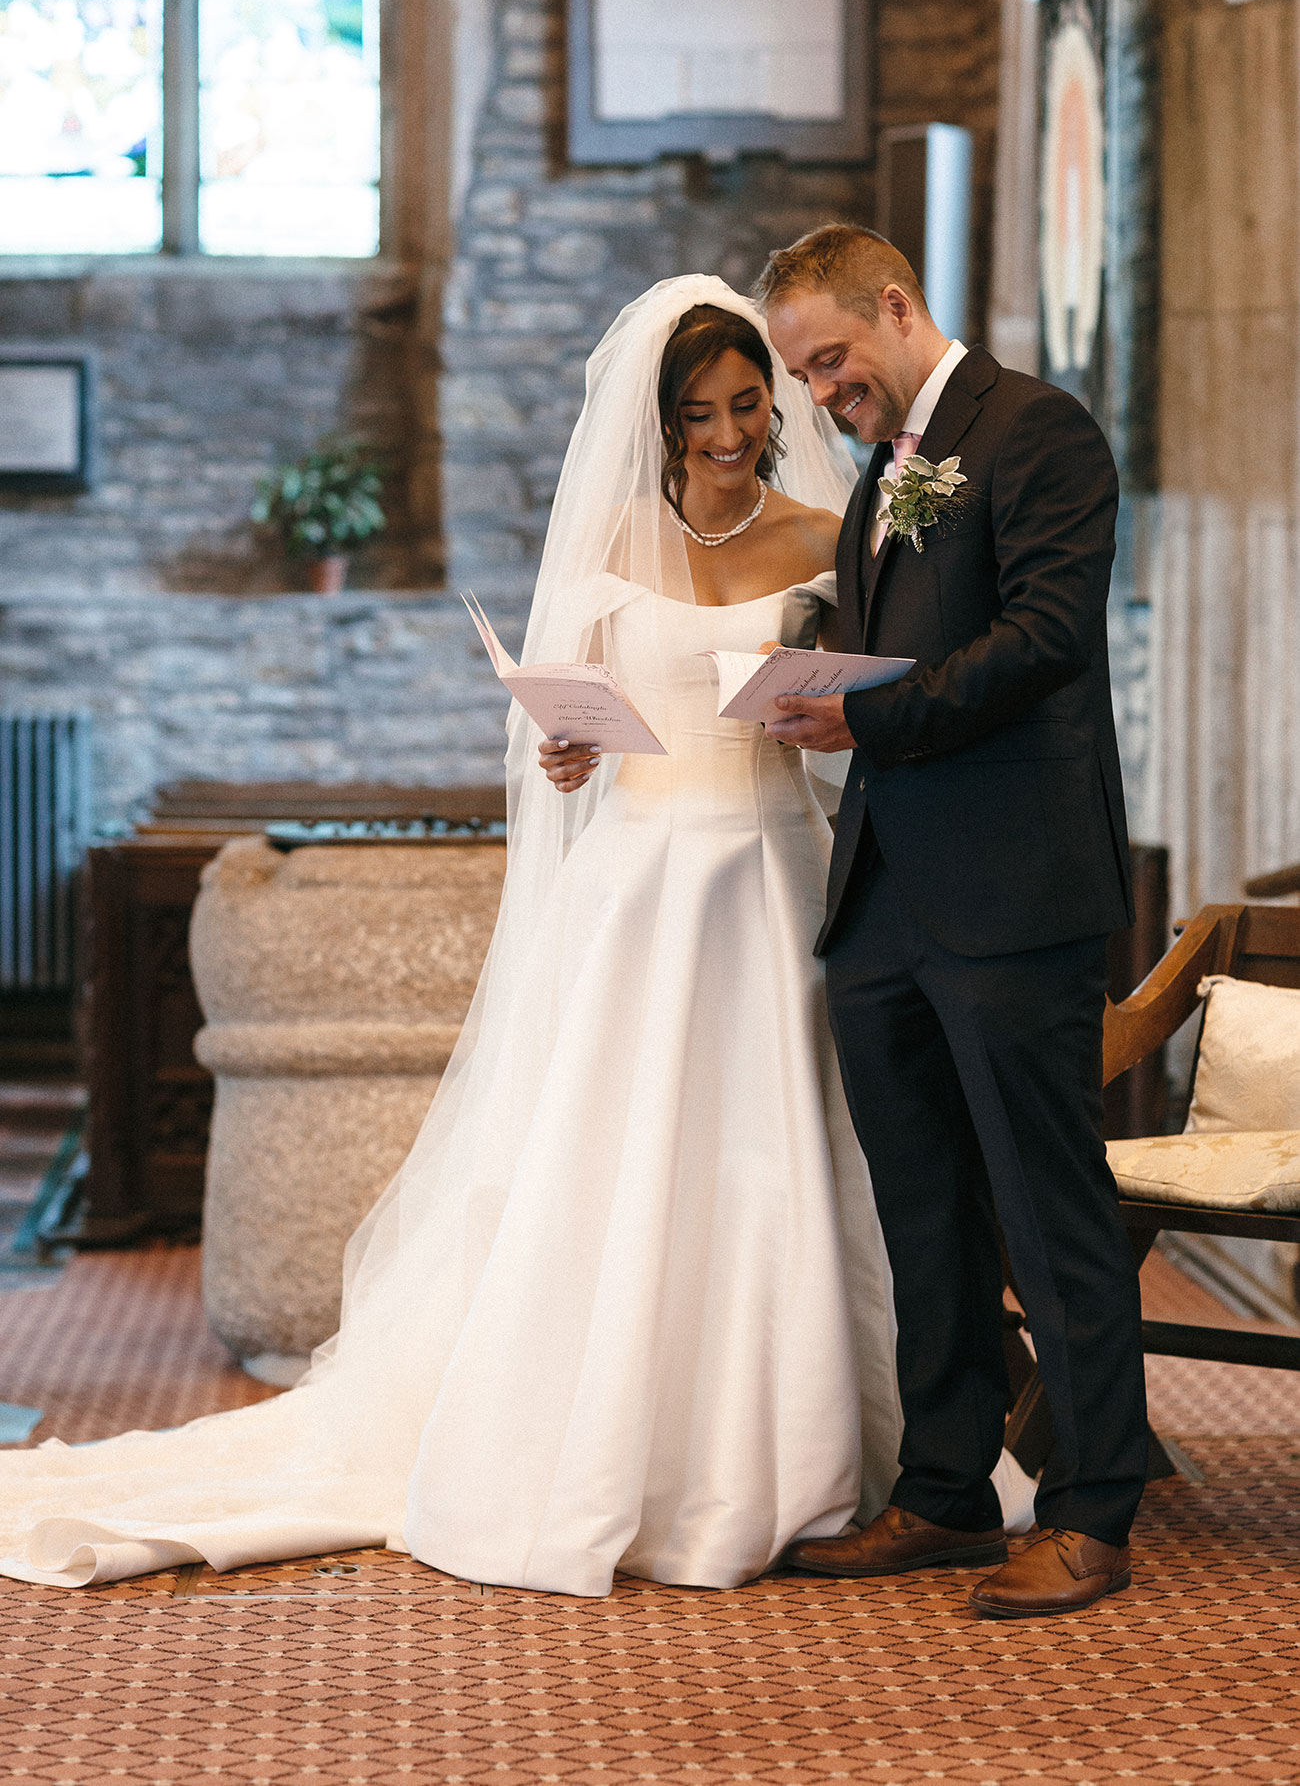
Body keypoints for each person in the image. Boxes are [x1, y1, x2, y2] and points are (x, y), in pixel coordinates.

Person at [0, 275, 964, 1598]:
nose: (731, 433)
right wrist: (568, 748)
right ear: (662, 423)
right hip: (638, 883)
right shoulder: (612, 538)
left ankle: (792, 1452)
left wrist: (829, 713)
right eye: (701, 414)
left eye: (750, 404)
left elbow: (865, 709)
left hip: (768, 872)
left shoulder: (827, 532)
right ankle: (607, 1443)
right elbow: (565, 723)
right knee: (622, 1155)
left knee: (771, 1147)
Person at [758, 225, 1147, 1620]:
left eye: (829, 361)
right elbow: (903, 638)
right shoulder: (883, 472)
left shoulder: (1038, 430)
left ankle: (1092, 1508)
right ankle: (945, 1490)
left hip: (1013, 889)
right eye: (806, 376)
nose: (821, 394)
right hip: (885, 896)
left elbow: (1047, 637)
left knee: (1047, 1204)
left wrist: (866, 714)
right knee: (922, 1206)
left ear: (894, 304)